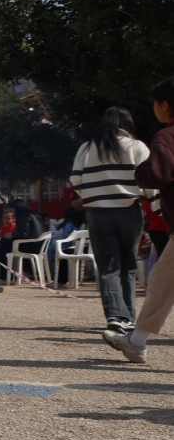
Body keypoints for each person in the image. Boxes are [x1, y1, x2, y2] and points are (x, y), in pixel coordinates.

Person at [105, 79, 174, 364]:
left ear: (165, 105)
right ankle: (136, 341)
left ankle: (136, 342)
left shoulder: (167, 136)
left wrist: (142, 168)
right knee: (162, 281)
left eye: (155, 103)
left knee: (161, 282)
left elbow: (157, 174)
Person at [70, 106, 149, 331]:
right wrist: (154, 205)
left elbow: (75, 180)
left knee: (108, 268)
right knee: (128, 266)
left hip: (98, 213)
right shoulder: (137, 146)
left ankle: (115, 315)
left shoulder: (87, 148)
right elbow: (149, 180)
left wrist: (92, 196)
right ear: (127, 124)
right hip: (130, 211)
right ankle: (129, 317)